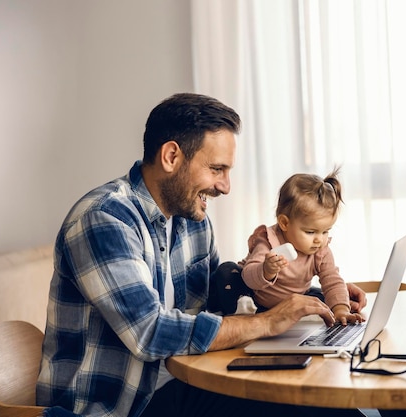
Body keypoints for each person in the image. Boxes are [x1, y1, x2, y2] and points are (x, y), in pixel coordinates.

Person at [36, 92, 368, 417]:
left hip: (181, 384)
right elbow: (149, 333)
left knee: (321, 404)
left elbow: (219, 303)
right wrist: (266, 323)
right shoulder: (104, 218)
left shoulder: (193, 221)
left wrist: (320, 295)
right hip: (122, 407)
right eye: (216, 169)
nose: (225, 186)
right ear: (171, 157)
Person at [212, 168, 364, 326]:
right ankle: (242, 310)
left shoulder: (321, 251)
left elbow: (332, 280)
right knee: (226, 271)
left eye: (325, 231)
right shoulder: (269, 241)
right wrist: (266, 270)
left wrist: (340, 309)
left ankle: (343, 308)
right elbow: (249, 278)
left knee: (322, 298)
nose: (319, 239)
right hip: (255, 297)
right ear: (284, 223)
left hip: (291, 302)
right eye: (311, 232)